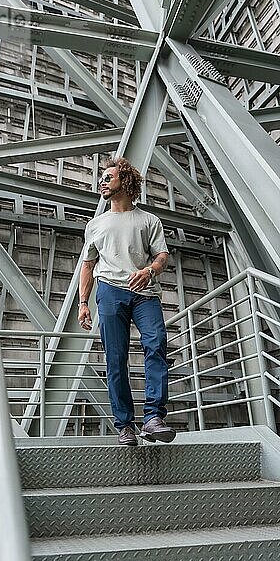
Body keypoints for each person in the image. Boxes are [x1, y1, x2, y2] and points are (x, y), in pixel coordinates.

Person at [78, 157, 176, 446]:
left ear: (126, 182)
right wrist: (83, 303)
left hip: (145, 294)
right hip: (109, 291)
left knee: (156, 345)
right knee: (116, 358)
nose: (102, 182)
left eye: (108, 177)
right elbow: (88, 265)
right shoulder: (95, 225)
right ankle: (125, 426)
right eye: (101, 179)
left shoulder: (149, 220)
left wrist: (150, 271)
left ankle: (154, 418)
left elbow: (162, 256)